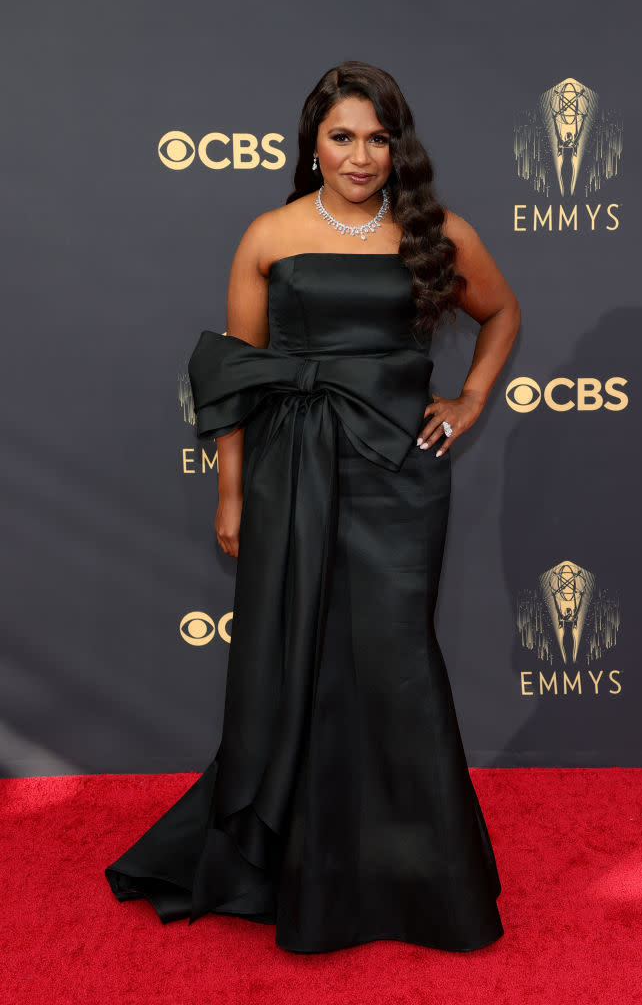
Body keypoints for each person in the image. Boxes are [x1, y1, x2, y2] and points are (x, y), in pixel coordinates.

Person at [105, 60, 521, 954]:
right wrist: (229, 489)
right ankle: (302, 866)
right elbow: (236, 375)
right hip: (289, 470)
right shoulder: (270, 234)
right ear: (313, 144)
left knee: (396, 662)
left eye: (377, 137)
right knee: (298, 660)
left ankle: (420, 875)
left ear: (396, 145)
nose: (361, 156)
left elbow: (500, 312)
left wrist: (471, 398)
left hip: (396, 476)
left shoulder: (433, 232)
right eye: (342, 136)